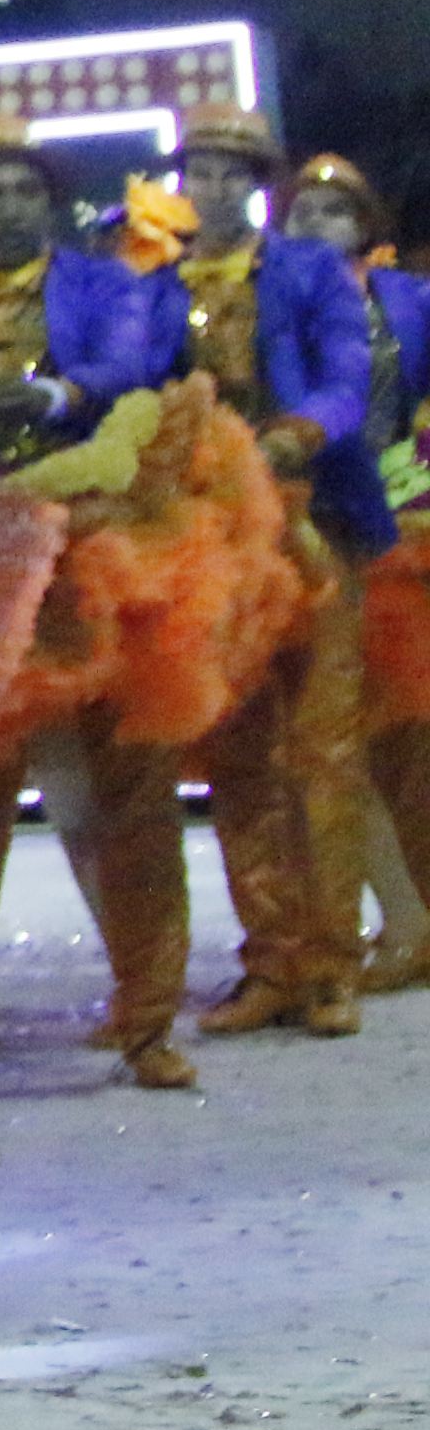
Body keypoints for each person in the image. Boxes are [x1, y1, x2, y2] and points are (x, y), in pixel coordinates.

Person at [0, 118, 283, 1093]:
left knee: (134, 796)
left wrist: (63, 397)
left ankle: (149, 1020)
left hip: (105, 550)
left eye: (26, 190)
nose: (9, 207)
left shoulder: (115, 285)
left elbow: (136, 363)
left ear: (51, 205)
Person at [158, 106, 380, 1039]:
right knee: (240, 755)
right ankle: (271, 960)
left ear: (256, 183)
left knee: (323, 748)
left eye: (229, 171)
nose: (212, 186)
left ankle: (330, 963)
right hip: (209, 538)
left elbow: (346, 373)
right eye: (199, 171)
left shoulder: (309, 270)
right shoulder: (156, 284)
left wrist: (301, 433)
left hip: (313, 520)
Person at [289, 156, 430, 989]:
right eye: (301, 210)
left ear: (366, 229)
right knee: (342, 739)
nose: (315, 224)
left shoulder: (408, 303)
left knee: (405, 743)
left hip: (404, 533)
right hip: (313, 529)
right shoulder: (269, 303)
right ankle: (402, 918)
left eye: (334, 212)